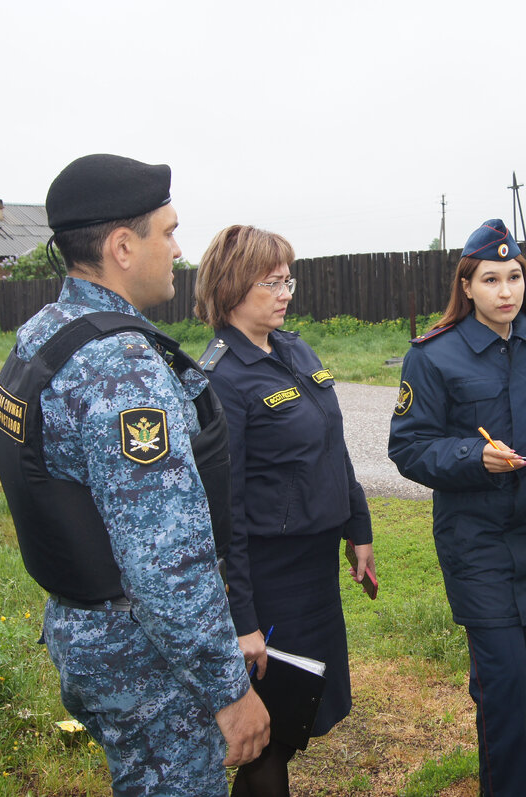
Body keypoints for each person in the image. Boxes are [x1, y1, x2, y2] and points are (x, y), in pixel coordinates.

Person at [0, 154, 269, 796]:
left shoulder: (44, 334)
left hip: (82, 630)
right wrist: (229, 693)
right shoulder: (122, 370)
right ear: (121, 246)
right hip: (146, 659)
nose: (177, 249)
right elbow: (164, 561)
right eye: (166, 232)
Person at [388, 219, 526, 797]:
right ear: (467, 286)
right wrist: (477, 457)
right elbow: (409, 447)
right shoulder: (433, 356)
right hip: (476, 544)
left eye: (515, 277)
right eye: (491, 279)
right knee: (502, 686)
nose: (507, 291)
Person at [193, 224, 375, 796]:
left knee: (295, 715)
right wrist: (243, 619)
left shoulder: (294, 348)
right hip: (271, 578)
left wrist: (358, 527)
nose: (284, 291)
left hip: (314, 571)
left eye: (287, 279)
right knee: (266, 731)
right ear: (231, 288)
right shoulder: (221, 376)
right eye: (270, 282)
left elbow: (332, 444)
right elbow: (226, 512)